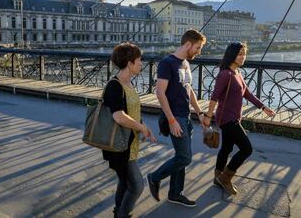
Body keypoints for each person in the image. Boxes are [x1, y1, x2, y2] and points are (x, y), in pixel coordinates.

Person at [202, 42, 275, 195]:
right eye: (240, 54)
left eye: (244, 53)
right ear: (232, 55)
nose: (243, 57)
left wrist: (263, 107)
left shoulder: (237, 74)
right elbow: (214, 97)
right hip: (227, 119)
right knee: (246, 149)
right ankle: (225, 178)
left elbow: (247, 93)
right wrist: (208, 116)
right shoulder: (225, 74)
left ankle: (218, 176)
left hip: (234, 118)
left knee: (226, 148)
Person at [147, 29, 206, 207]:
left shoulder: (186, 63)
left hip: (186, 116)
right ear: (188, 44)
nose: (199, 51)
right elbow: (160, 93)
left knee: (181, 156)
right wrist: (171, 120)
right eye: (198, 47)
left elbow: (189, 90)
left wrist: (200, 113)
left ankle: (175, 193)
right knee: (185, 158)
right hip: (175, 117)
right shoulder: (167, 63)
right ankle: (154, 177)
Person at [103, 42, 157, 218]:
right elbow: (118, 116)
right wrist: (140, 126)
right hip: (119, 146)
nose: (141, 64)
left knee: (124, 183)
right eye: (139, 60)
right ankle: (123, 214)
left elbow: (131, 110)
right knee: (136, 185)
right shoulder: (115, 85)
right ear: (129, 63)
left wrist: (142, 127)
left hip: (129, 143)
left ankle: (119, 211)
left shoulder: (129, 84)